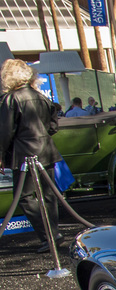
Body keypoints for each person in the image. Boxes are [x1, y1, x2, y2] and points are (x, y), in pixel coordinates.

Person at [0, 59, 63, 252]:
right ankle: (53, 233)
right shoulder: (41, 96)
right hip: (47, 150)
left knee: (25, 196)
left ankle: (48, 235)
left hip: (24, 153)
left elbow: (5, 131)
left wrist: (1, 155)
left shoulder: (10, 99)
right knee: (49, 194)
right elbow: (53, 126)